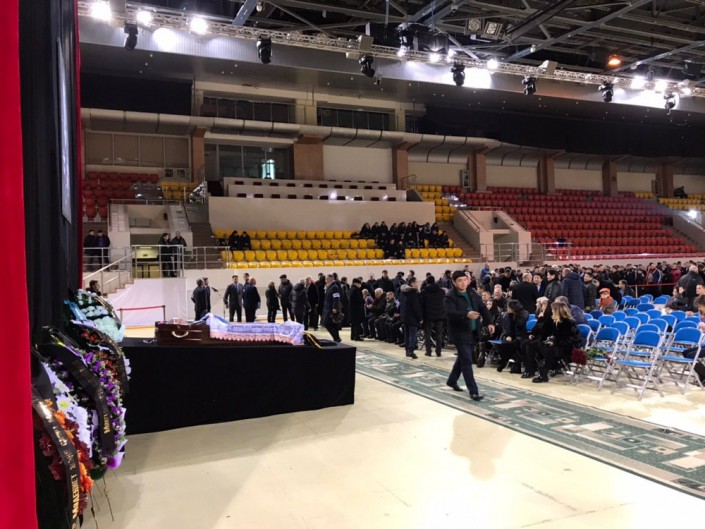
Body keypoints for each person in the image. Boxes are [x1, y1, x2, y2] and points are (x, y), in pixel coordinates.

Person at [444, 270, 495, 401]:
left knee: (463, 358)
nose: (463, 283)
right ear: (454, 282)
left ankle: (452, 380)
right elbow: (449, 313)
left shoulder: (472, 292)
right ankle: (473, 391)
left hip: (473, 331)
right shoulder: (450, 296)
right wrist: (466, 315)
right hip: (459, 333)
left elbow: (482, 308)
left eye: (464, 280)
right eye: (459, 281)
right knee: (467, 360)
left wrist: (489, 322)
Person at [533, 301, 580, 383]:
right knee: (541, 346)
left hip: (569, 347)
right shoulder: (556, 321)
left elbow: (570, 339)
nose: (551, 311)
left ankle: (544, 374)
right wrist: (551, 339)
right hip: (560, 345)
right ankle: (545, 370)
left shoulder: (568, 322)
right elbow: (556, 336)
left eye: (552, 310)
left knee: (550, 351)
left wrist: (555, 342)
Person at [496, 299, 529, 374]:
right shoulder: (508, 315)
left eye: (508, 307)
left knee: (513, 344)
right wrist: (508, 335)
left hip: (521, 336)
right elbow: (507, 328)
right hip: (512, 335)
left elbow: (520, 326)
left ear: (514, 308)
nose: (507, 309)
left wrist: (516, 316)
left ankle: (504, 362)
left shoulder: (524, 314)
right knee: (503, 344)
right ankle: (506, 362)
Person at [421, 275, 446, 357]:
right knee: (439, 334)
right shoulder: (442, 291)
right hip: (440, 315)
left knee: (427, 334)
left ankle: (428, 351)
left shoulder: (424, 292)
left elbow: (422, 305)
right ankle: (438, 351)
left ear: (427, 282)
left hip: (428, 316)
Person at [399, 277, 422, 359]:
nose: (417, 284)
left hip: (405, 317)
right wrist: (420, 318)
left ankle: (407, 350)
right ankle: (411, 351)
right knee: (413, 334)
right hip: (412, 317)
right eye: (416, 282)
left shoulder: (403, 292)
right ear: (412, 283)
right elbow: (416, 307)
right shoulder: (413, 293)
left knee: (407, 334)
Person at [321, 273, 342, 342]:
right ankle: (337, 338)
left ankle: (336, 337)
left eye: (326, 279)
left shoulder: (334, 287)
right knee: (333, 324)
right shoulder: (329, 287)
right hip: (327, 307)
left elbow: (336, 298)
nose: (325, 280)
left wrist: (335, 307)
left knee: (327, 323)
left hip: (331, 308)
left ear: (330, 279)